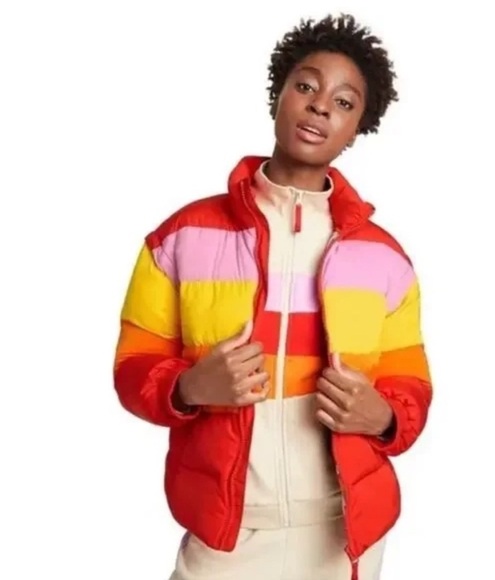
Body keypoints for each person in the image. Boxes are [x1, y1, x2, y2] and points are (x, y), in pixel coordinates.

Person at [113, 13, 433, 580]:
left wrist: (385, 417)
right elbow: (132, 367)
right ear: (278, 94)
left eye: (343, 102)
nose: (320, 107)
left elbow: (411, 384)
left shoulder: (384, 257)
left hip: (343, 536)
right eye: (306, 86)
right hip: (226, 535)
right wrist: (188, 388)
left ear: (358, 127)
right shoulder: (181, 236)